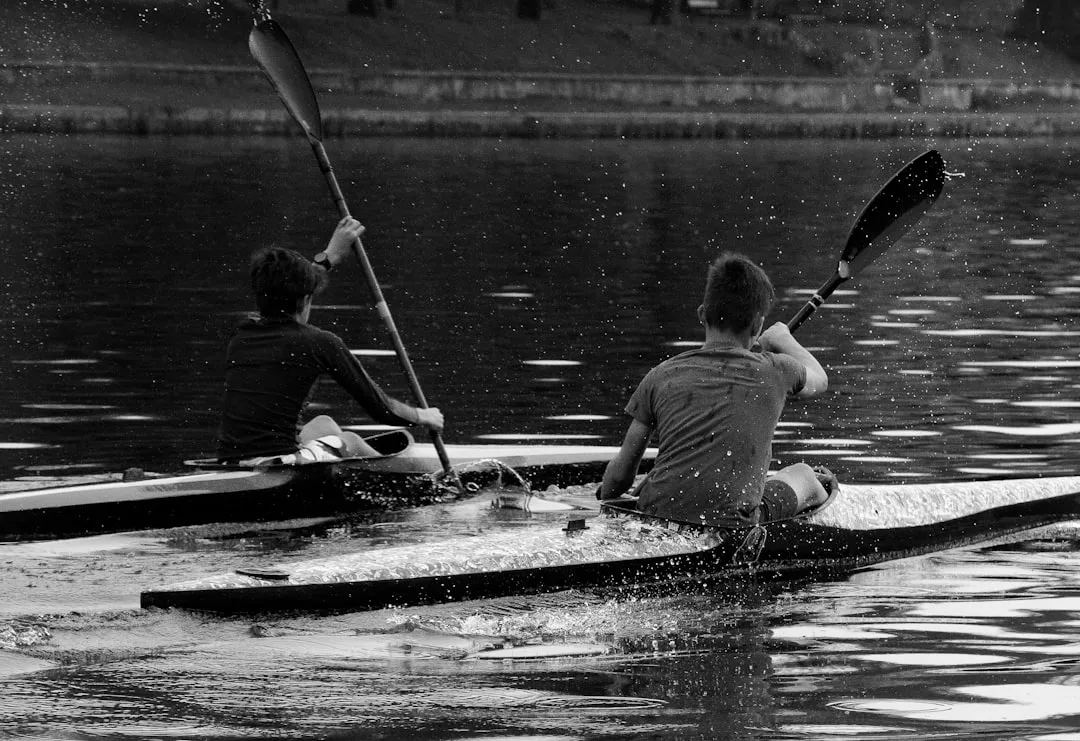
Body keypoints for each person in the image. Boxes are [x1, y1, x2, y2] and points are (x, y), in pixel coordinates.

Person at [596, 252, 832, 528]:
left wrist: (605, 499)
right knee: (804, 474)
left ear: (701, 313)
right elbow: (820, 379)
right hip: (733, 525)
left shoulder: (660, 375)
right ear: (757, 324)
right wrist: (783, 340)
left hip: (654, 514)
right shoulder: (778, 370)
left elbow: (621, 477)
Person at [216, 217, 443, 464]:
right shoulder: (319, 342)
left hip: (230, 459)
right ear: (304, 299)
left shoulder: (240, 335)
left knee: (322, 425)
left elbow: (284, 288)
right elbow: (382, 409)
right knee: (352, 441)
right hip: (276, 464)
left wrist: (329, 256)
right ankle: (406, 481)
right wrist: (422, 416)